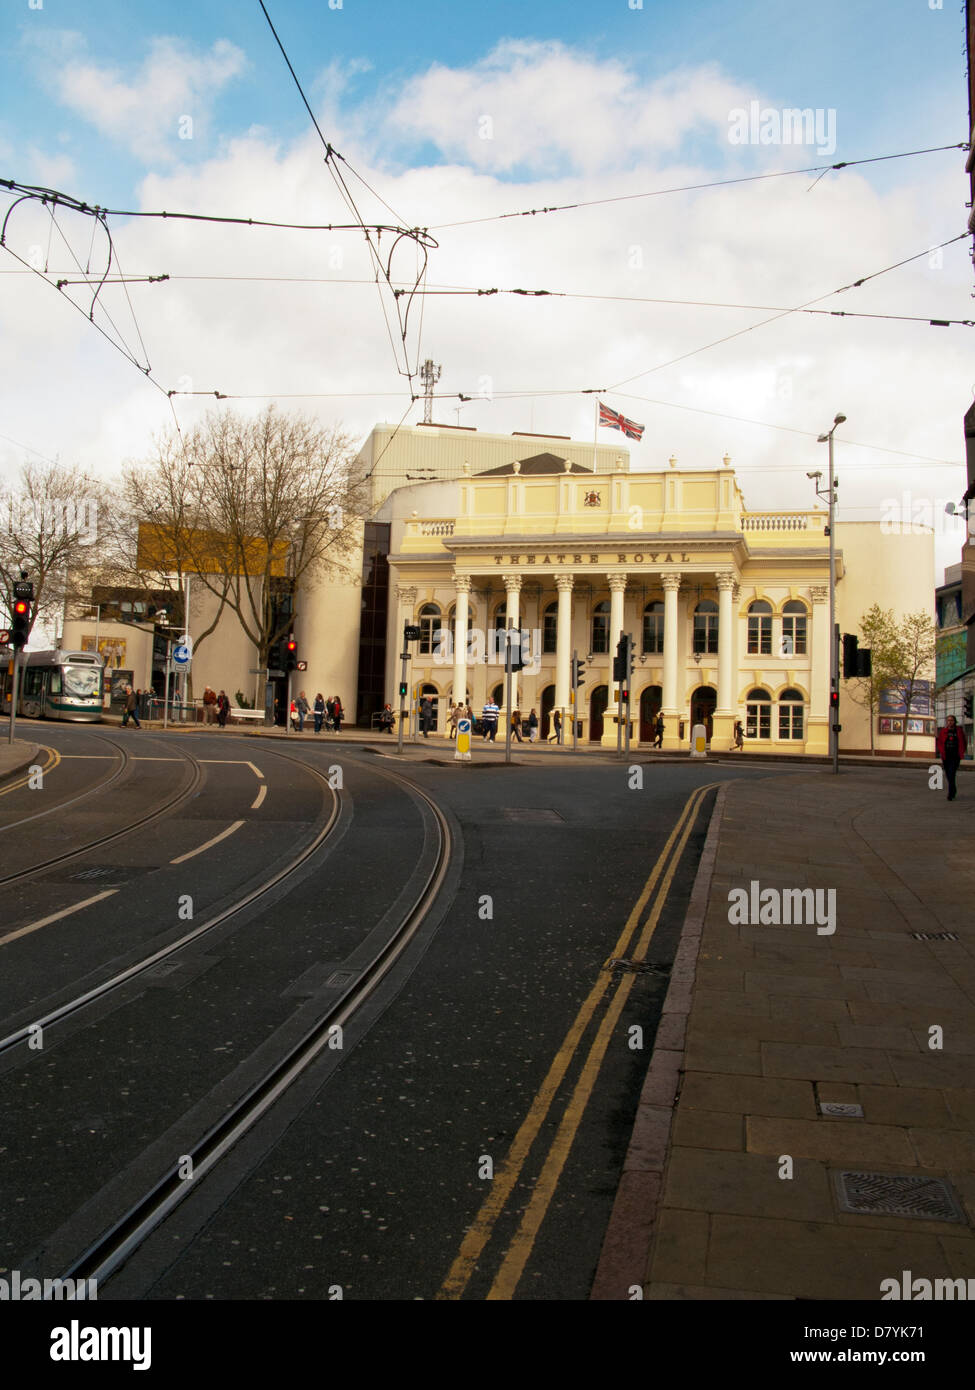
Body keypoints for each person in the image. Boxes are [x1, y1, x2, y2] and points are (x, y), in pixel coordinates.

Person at [936, 714, 967, 801]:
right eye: (948, 720)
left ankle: (950, 793)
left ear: (954, 721)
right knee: (948, 774)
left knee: (952, 773)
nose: (950, 722)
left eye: (951, 720)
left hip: (955, 756)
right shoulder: (943, 731)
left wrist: (962, 752)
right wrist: (941, 751)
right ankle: (953, 789)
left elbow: (964, 742)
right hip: (946, 756)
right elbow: (940, 742)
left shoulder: (959, 731)